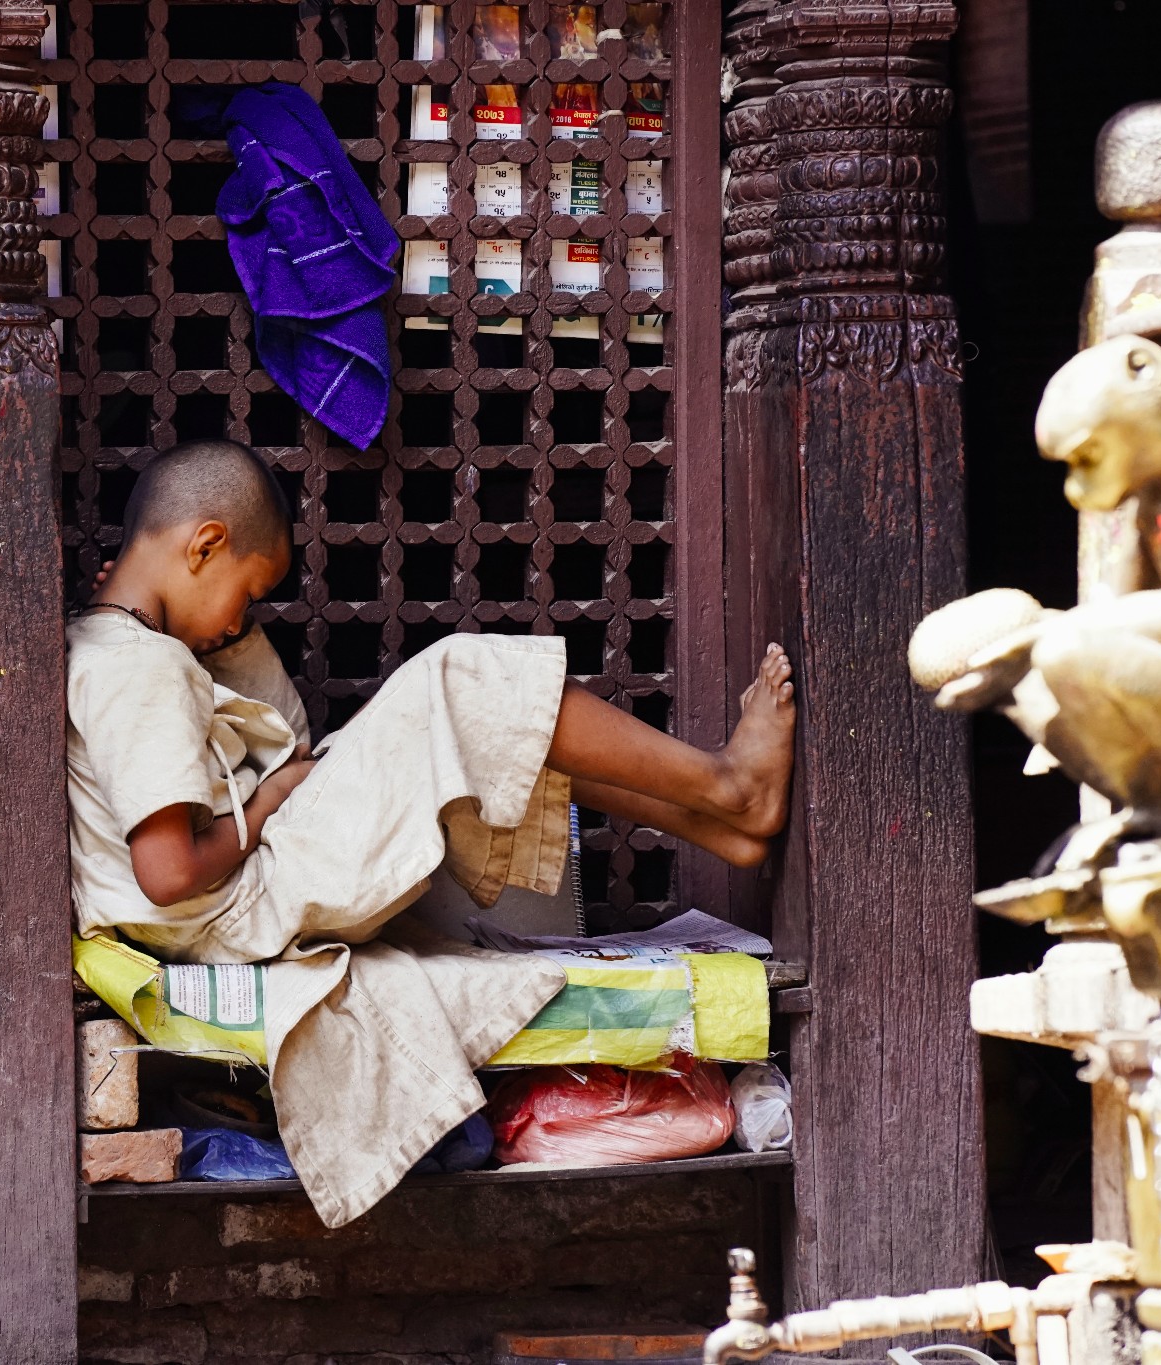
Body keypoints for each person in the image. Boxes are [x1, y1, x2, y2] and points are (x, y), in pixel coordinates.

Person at [67, 439, 794, 1225]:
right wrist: (272, 799)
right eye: (248, 594)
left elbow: (280, 740)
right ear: (205, 544)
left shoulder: (117, 652)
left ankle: (720, 820)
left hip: (241, 892)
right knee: (462, 680)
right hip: (245, 901)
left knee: (471, 736)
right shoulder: (134, 670)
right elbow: (170, 868)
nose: (241, 619)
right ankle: (728, 786)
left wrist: (193, 641)